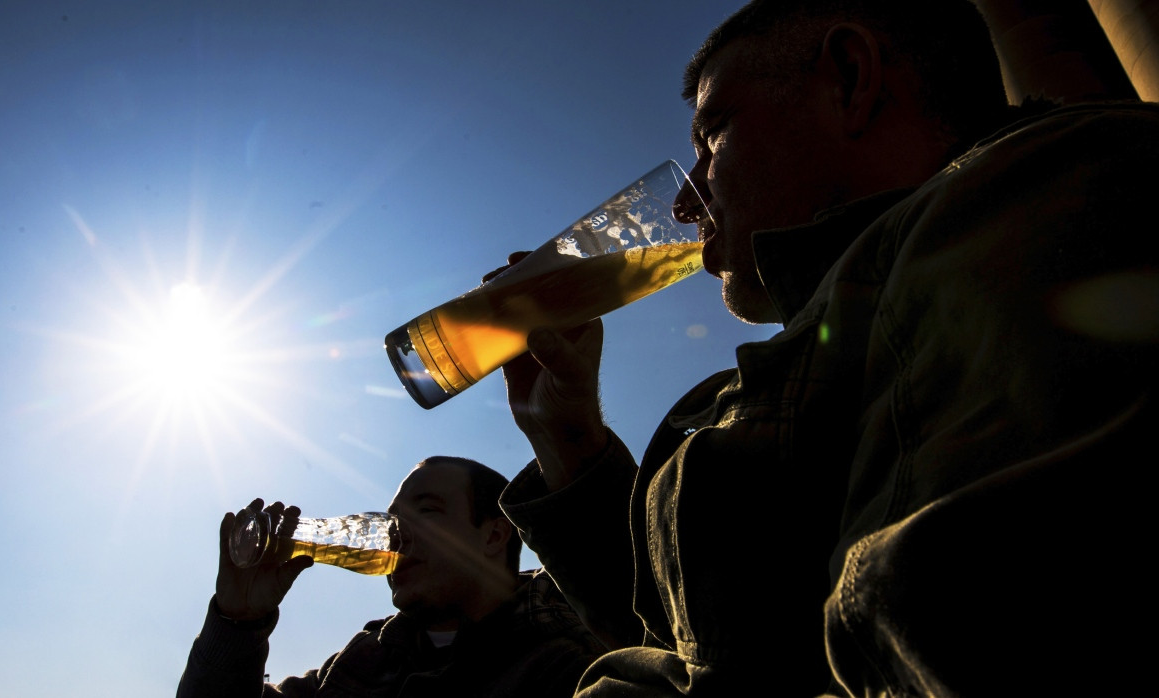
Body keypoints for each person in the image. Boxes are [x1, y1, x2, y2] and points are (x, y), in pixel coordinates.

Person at [493, 0, 1158, 695]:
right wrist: (567, 439)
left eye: (713, 134)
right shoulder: (872, 316)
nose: (685, 204)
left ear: (849, 77)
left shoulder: (1052, 200)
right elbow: (688, 629)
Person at [176, 456, 607, 697]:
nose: (396, 536)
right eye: (392, 522)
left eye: (429, 511)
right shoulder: (363, 660)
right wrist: (237, 623)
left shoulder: (571, 664)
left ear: (494, 534)